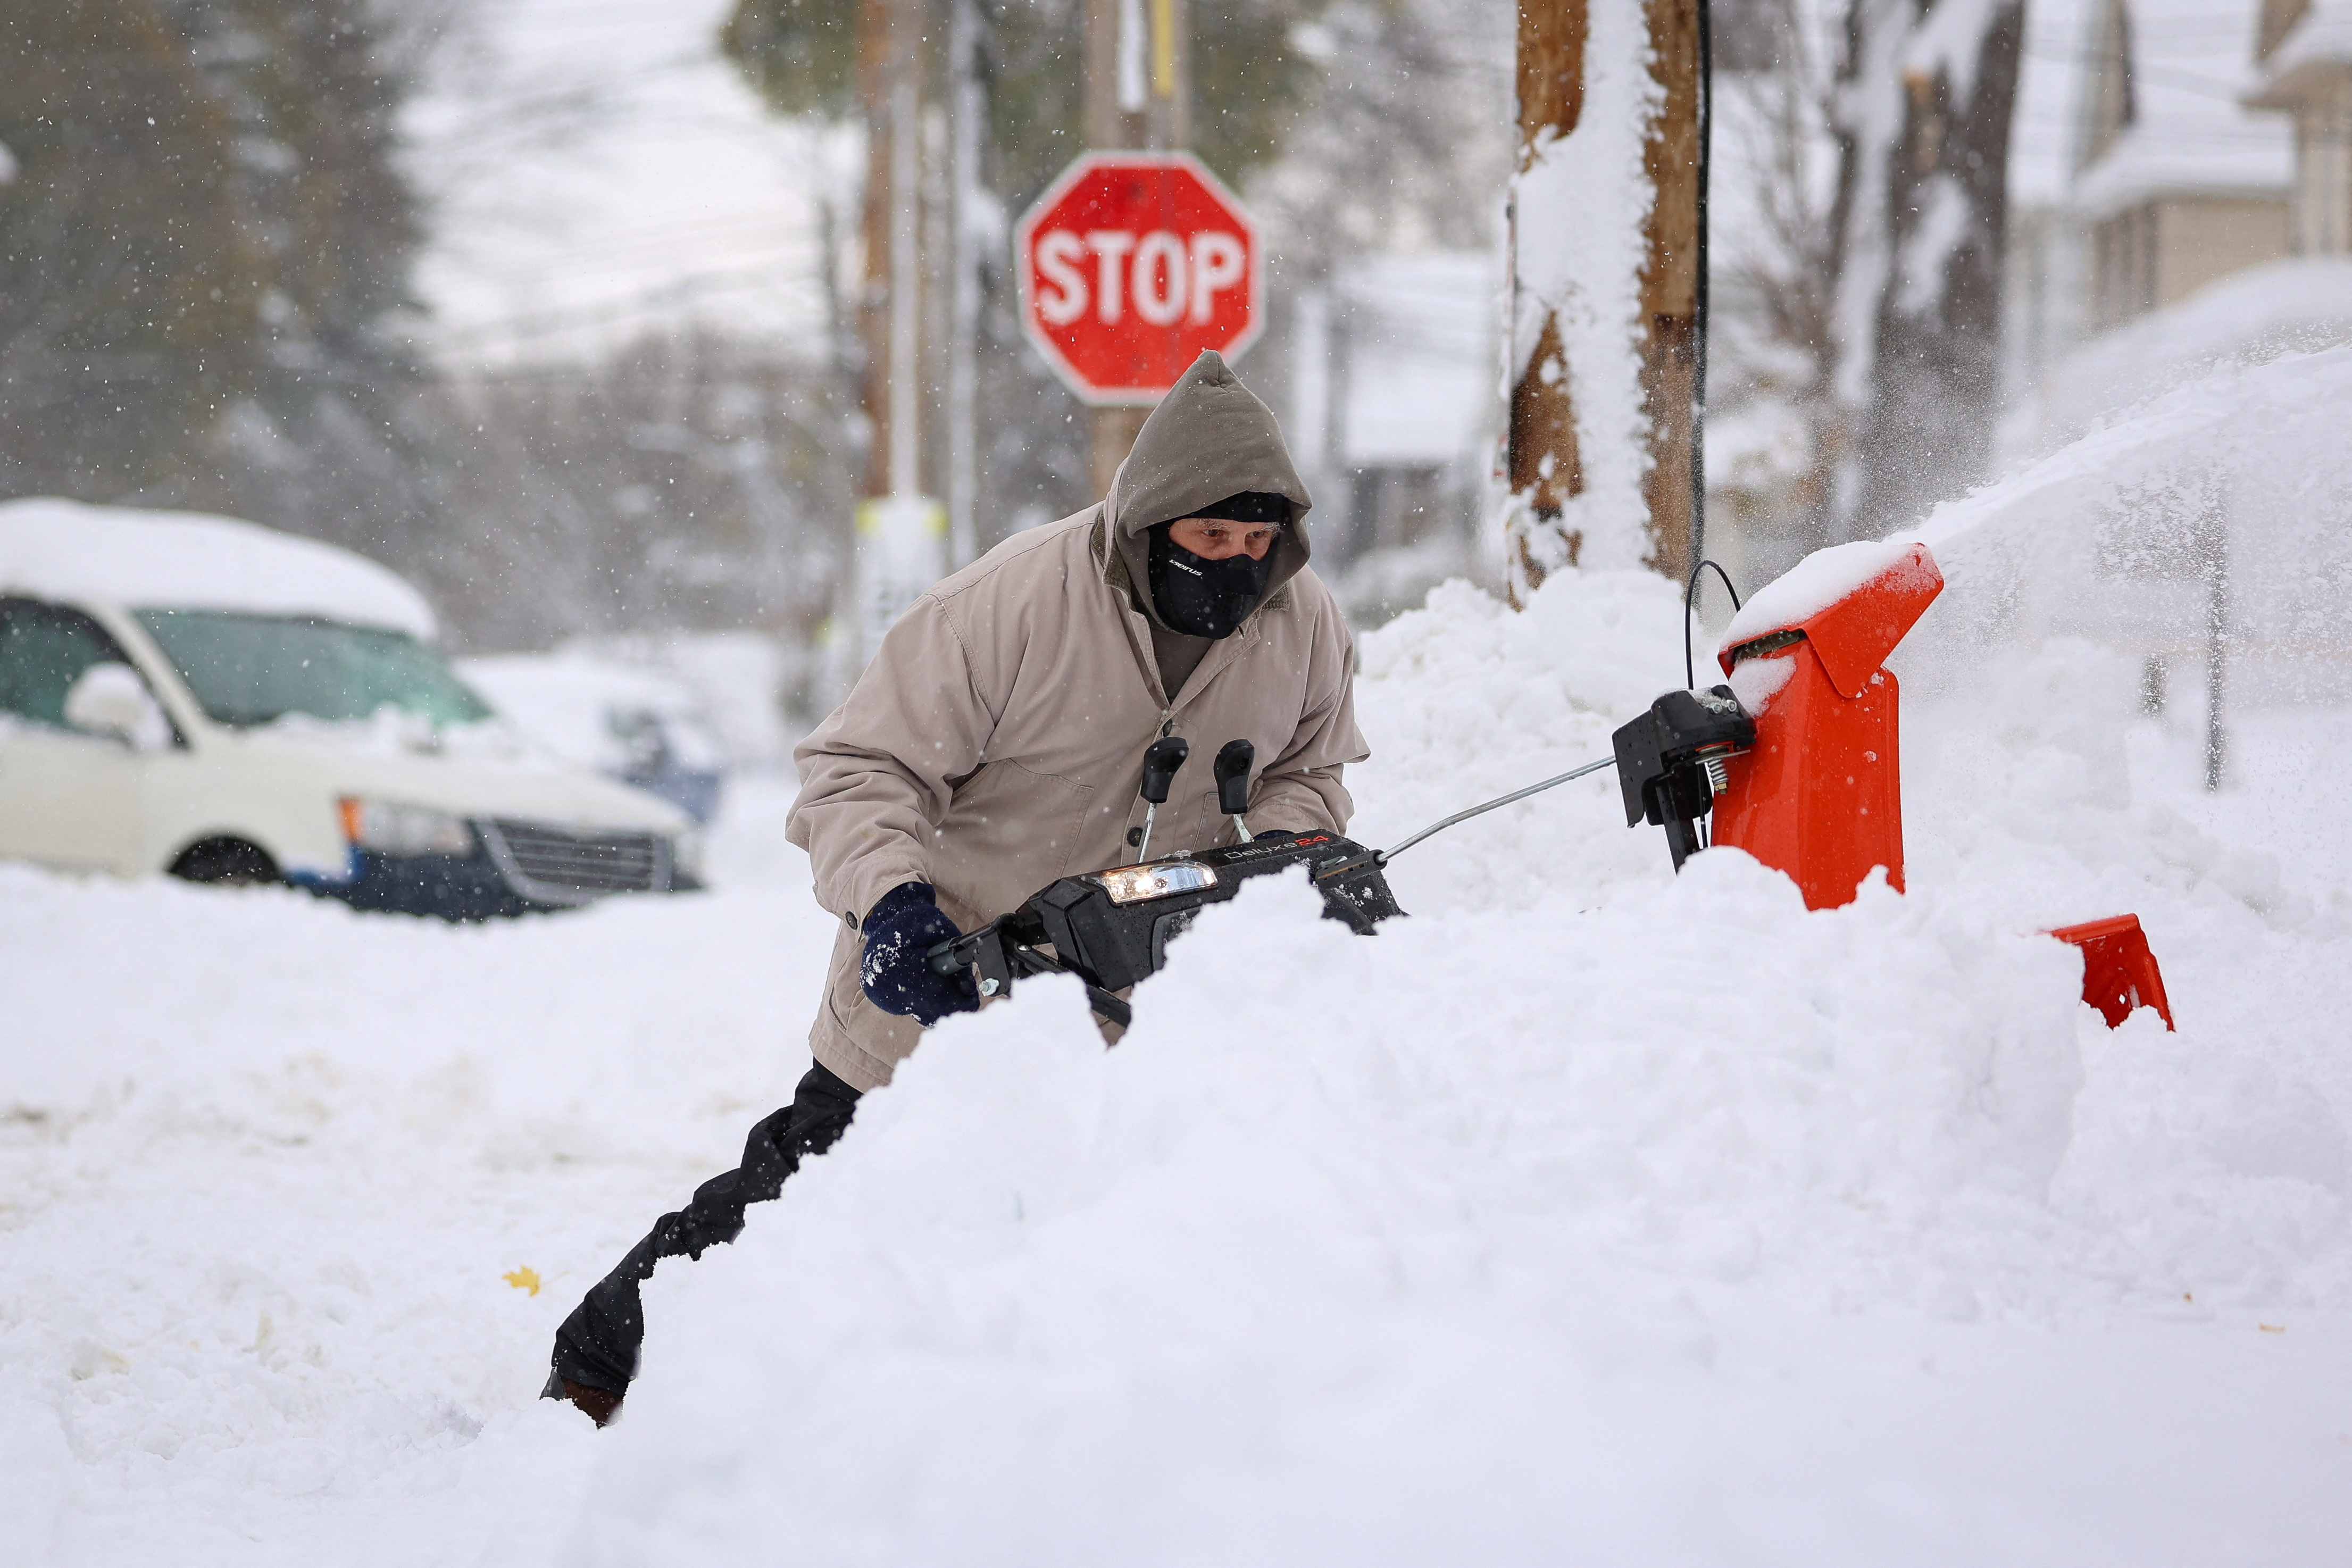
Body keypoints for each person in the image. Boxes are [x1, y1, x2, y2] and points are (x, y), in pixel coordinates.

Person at [545, 351, 1367, 1425]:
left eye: (1258, 544)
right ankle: (598, 1363)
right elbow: (859, 770)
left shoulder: (1304, 623)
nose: (1237, 564)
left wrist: (1290, 850)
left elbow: (1311, 767)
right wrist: (893, 906)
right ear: (1152, 522)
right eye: (1213, 538)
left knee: (1079, 1241)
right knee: (797, 1203)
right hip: (944, 977)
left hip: (1146, 1016)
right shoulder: (1008, 605)